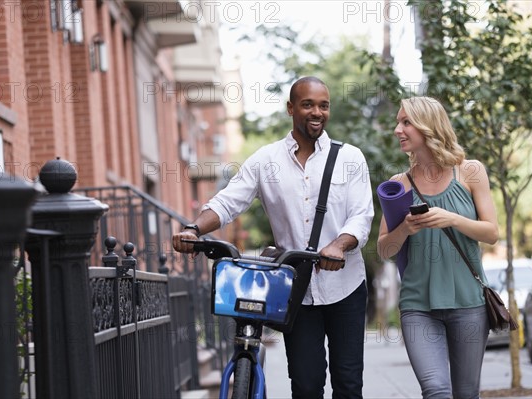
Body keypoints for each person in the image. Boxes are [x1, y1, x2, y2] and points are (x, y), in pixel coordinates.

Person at [172, 76, 373, 398]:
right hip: (296, 291)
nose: (317, 112)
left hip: (345, 286)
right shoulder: (266, 160)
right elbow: (228, 201)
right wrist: (193, 229)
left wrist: (337, 245)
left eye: (324, 105)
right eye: (308, 104)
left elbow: (361, 215)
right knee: (306, 385)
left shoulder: (350, 158)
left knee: (348, 384)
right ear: (291, 108)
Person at [377, 96, 499, 398]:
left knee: (466, 393)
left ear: (428, 126)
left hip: (469, 304)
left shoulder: (470, 172)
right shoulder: (399, 184)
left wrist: (452, 218)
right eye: (398, 122)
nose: (398, 129)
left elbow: (492, 232)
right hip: (418, 306)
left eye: (406, 122)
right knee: (436, 390)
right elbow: (383, 249)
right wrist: (406, 227)